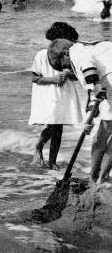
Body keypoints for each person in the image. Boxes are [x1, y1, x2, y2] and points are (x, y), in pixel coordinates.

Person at [47, 39, 112, 183]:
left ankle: (95, 179)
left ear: (64, 53)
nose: (66, 69)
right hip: (108, 84)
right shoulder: (91, 47)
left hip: (110, 82)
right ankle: (102, 177)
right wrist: (91, 118)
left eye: (62, 65)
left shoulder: (76, 51)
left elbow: (87, 65)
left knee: (100, 138)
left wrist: (95, 85)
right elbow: (95, 94)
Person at [29, 22, 82, 170]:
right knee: (54, 127)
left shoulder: (71, 56)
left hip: (63, 95)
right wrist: (53, 79)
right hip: (48, 94)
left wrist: (70, 74)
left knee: (58, 129)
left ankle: (51, 160)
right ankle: (40, 148)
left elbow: (79, 76)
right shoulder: (41, 55)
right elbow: (35, 77)